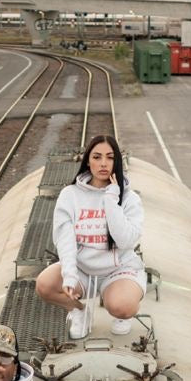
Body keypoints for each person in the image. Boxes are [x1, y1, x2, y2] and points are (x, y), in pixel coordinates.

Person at [35, 133, 146, 339]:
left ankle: (122, 313)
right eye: (97, 157)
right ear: (87, 160)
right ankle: (78, 310)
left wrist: (111, 200)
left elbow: (126, 241)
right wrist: (70, 275)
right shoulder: (70, 195)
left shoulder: (130, 198)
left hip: (118, 270)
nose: (103, 163)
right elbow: (65, 238)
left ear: (117, 162)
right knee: (44, 284)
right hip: (83, 270)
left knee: (123, 306)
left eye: (110, 157)